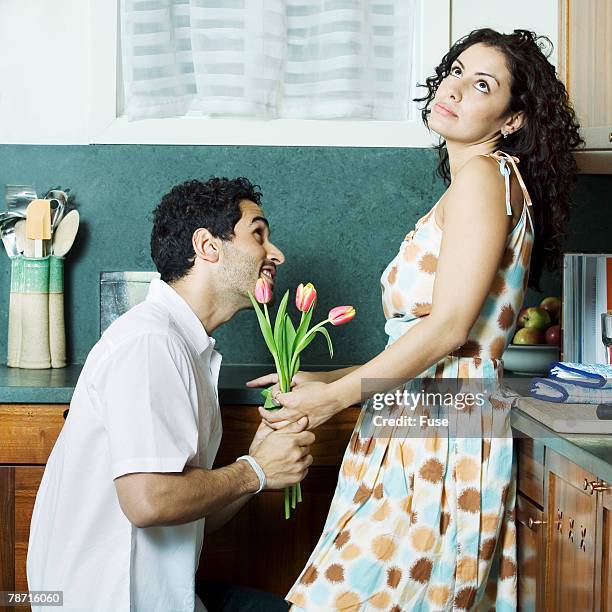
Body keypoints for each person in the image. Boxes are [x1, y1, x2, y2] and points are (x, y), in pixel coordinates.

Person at [248, 29, 582, 610]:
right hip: (426, 419)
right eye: (456, 70)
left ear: (510, 120)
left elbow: (452, 329)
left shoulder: (484, 176)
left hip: (437, 432)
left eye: (482, 84)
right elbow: (440, 343)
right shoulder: (484, 184)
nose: (455, 87)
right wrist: (330, 381)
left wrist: (334, 400)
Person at [27, 177, 314, 612]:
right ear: (208, 247)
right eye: (258, 234)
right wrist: (254, 471)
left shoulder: (184, 345)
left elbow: (188, 514)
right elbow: (149, 500)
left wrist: (253, 464)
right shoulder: (151, 343)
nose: (276, 254)